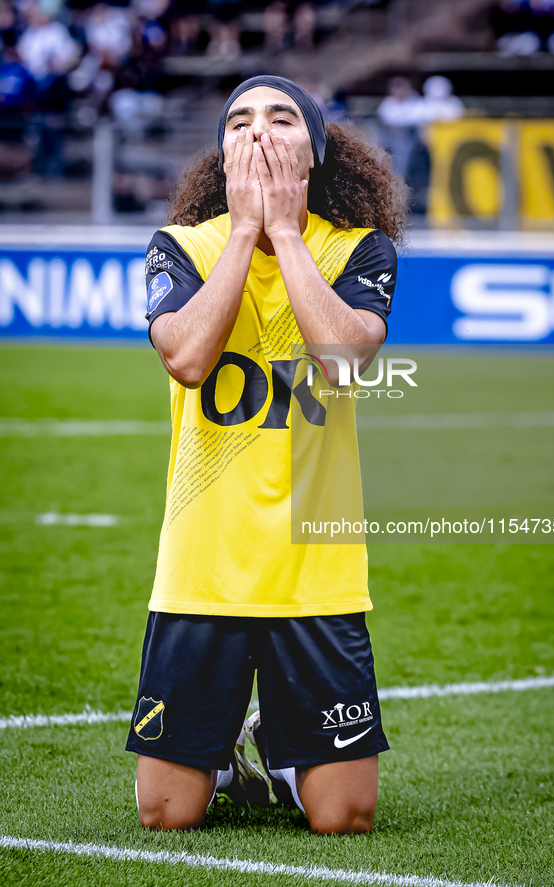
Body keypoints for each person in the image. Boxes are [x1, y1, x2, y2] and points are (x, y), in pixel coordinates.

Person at [125, 75, 408, 835]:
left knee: (343, 816)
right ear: (220, 152)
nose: (257, 131)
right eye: (239, 120)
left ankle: (277, 750)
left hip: (314, 567)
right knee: (165, 813)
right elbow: (185, 356)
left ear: (314, 152)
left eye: (282, 119)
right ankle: (221, 761)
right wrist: (245, 232)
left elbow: (343, 362)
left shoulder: (357, 249)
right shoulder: (181, 246)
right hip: (202, 564)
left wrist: (283, 233)